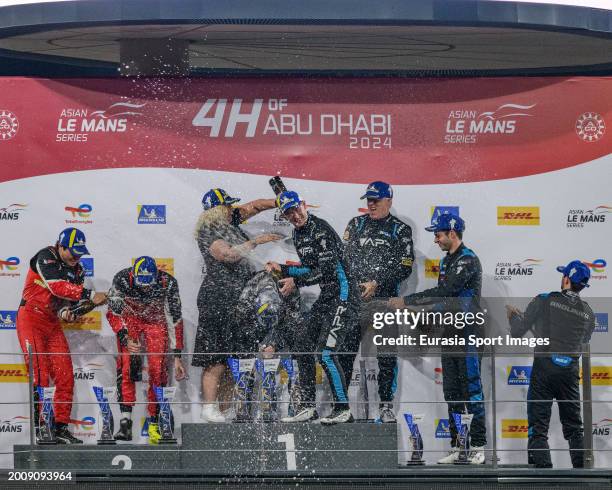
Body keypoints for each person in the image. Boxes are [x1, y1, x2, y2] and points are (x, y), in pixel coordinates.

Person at [389, 213, 486, 464]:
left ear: (452, 234)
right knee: (452, 392)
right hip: (449, 333)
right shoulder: (445, 262)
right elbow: (444, 302)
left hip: (468, 333)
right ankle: (458, 445)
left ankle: (478, 446)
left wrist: (408, 301)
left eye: (438, 234)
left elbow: (446, 292)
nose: (436, 239)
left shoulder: (468, 260)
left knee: (472, 390)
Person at [266, 190, 360, 425]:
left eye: (296, 209)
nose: (295, 216)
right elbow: (309, 268)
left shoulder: (321, 229)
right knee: (303, 345)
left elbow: (325, 270)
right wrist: (283, 269)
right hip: (327, 296)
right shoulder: (298, 235)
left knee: (325, 353)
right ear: (285, 217)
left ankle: (343, 409)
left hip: (344, 295)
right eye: (289, 213)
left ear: (304, 205)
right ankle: (308, 407)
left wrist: (294, 280)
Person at [192, 188, 281, 423]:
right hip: (216, 300)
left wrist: (278, 201)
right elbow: (228, 255)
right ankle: (209, 407)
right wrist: (256, 242)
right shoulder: (209, 230)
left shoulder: (230, 220)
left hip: (239, 301)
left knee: (236, 359)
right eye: (228, 206)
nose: (233, 209)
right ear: (217, 210)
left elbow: (256, 205)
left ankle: (227, 408)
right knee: (216, 358)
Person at [15, 228, 107, 444]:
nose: (77, 257)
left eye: (81, 253)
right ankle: (41, 428)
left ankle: (60, 427)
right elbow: (57, 287)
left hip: (52, 323)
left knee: (65, 374)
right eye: (73, 252)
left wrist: (74, 311)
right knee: (39, 373)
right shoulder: (45, 256)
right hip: (30, 318)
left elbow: (68, 305)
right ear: (61, 246)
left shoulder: (79, 270)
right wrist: (90, 294)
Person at [506, 260, 595, 468]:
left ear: (565, 279)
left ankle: (542, 479)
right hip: (569, 373)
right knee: (574, 428)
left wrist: (512, 317)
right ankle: (584, 479)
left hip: (544, 371)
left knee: (538, 427)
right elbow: (582, 344)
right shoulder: (589, 313)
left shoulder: (545, 299)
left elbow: (518, 332)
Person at [343, 181, 414, 423]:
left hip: (385, 301)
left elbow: (404, 267)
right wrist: (358, 286)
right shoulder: (356, 224)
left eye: (376, 200)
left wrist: (377, 282)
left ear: (389, 201)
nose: (371, 204)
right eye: (368, 200)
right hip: (355, 299)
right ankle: (341, 405)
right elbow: (346, 261)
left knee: (387, 354)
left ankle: (385, 405)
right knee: (344, 352)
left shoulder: (400, 229)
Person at [106, 256, 186, 444]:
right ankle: (125, 423)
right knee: (127, 367)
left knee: (157, 370)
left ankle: (154, 423)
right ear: (133, 275)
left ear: (156, 276)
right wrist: (124, 336)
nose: (145, 288)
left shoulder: (167, 282)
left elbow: (175, 319)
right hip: (131, 320)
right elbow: (113, 313)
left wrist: (177, 355)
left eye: (148, 284)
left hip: (155, 321)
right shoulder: (122, 278)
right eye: (141, 284)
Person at [230, 270, 301, 422]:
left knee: (294, 355)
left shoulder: (290, 289)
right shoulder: (249, 293)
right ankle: (242, 410)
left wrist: (274, 344)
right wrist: (257, 345)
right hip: (252, 328)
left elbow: (292, 323)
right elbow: (241, 321)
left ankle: (290, 409)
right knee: (245, 361)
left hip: (280, 327)